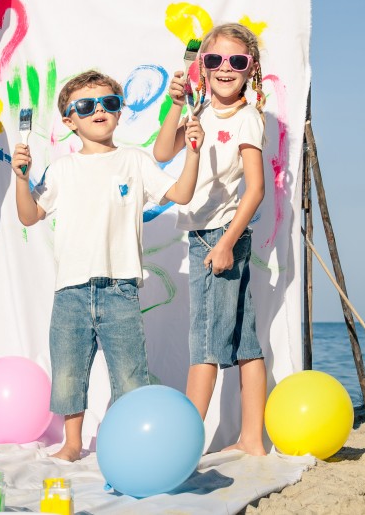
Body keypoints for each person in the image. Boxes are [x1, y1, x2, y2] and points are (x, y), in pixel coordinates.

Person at [12, 70, 203, 461]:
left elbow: (181, 193)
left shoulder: (134, 161)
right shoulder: (63, 169)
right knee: (68, 373)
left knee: (130, 377)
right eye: (85, 106)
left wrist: (194, 150)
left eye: (109, 103)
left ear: (120, 111)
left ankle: (128, 442)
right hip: (71, 290)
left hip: (120, 289)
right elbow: (29, 216)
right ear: (69, 120)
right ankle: (72, 443)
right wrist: (20, 178)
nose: (98, 110)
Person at [152, 23, 268, 455]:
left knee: (204, 343)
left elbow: (254, 190)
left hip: (218, 236)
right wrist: (176, 105)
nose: (225, 68)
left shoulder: (248, 119)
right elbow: (163, 152)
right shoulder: (199, 111)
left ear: (250, 69)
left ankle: (183, 446)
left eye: (236, 61)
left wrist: (224, 243)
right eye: (215, 59)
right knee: (244, 341)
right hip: (210, 234)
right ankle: (252, 440)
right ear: (202, 64)